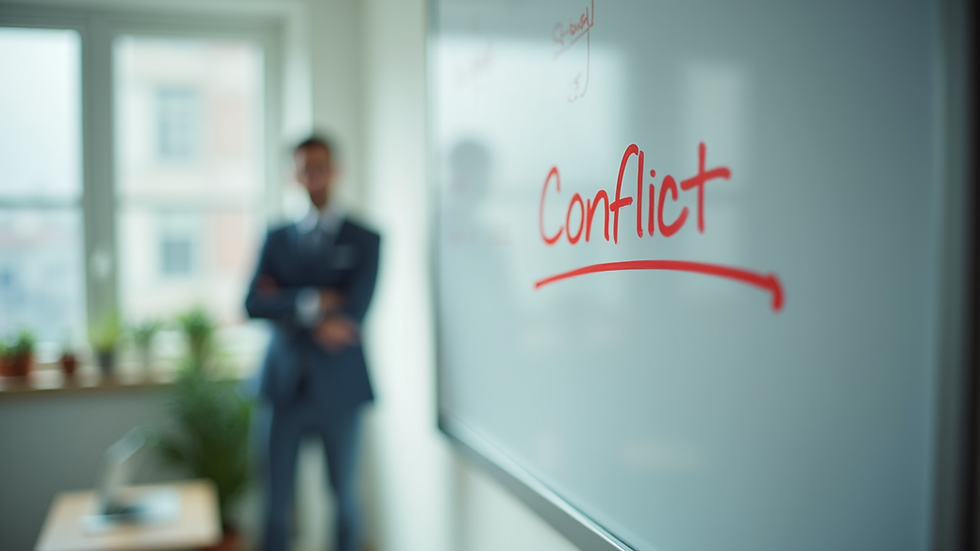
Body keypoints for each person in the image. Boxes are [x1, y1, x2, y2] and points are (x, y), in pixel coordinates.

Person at [245, 136, 380, 551]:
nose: (313, 175)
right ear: (294, 175)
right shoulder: (276, 237)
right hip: (282, 388)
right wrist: (314, 302)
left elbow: (354, 312)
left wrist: (285, 302)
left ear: (336, 169)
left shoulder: (365, 238)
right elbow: (252, 304)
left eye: (320, 166)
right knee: (275, 503)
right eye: (305, 168)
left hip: (340, 388)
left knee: (344, 500)